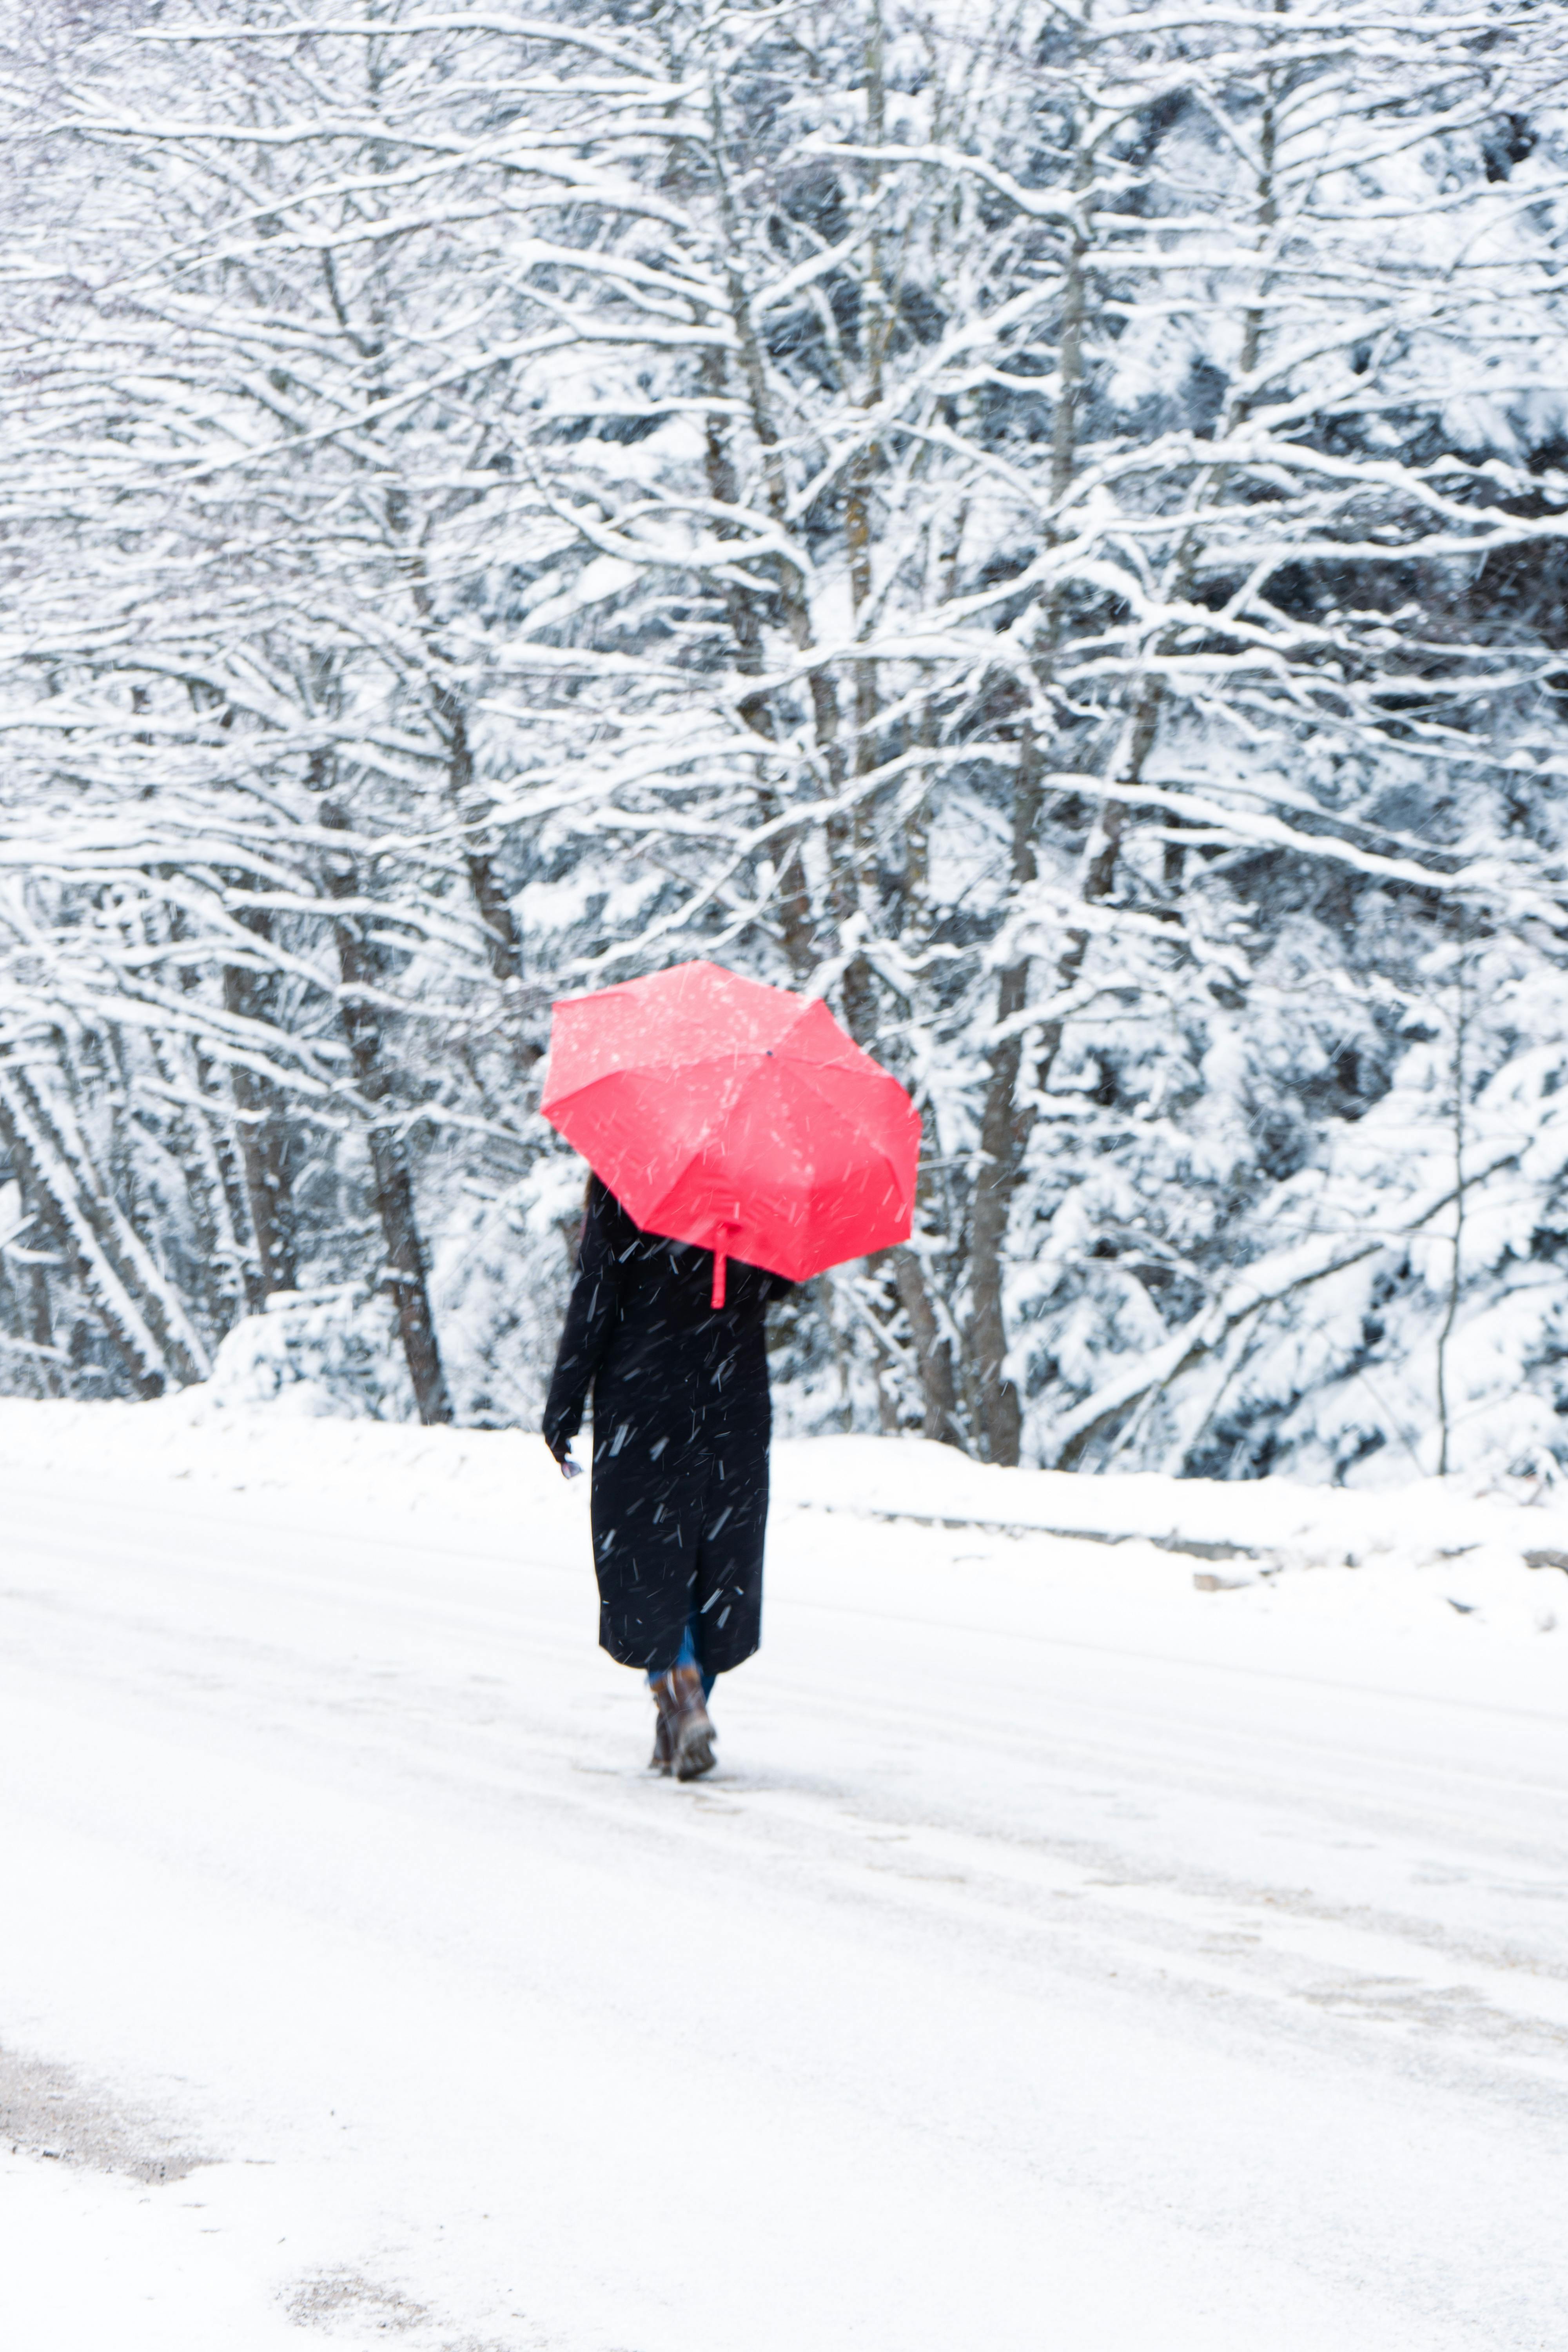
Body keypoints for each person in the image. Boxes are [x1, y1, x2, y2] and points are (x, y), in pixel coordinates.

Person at [542, 1173, 793, 1780]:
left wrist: (565, 1402)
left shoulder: (632, 1174)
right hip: (733, 1395)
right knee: (716, 1559)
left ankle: (679, 1695)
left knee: (649, 1553)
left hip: (647, 1391)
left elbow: (597, 1292)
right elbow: (782, 1284)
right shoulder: (763, 1178)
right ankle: (683, 1707)